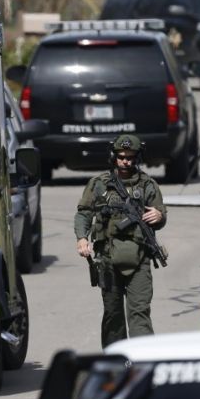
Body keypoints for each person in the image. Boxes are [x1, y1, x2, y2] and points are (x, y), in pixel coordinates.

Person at [75, 134, 167, 348]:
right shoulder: (99, 184)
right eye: (121, 156)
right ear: (113, 156)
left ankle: (141, 361)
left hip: (140, 258)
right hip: (107, 258)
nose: (126, 161)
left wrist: (159, 216)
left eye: (131, 157)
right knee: (113, 314)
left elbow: (160, 213)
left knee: (139, 313)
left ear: (138, 158)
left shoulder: (148, 185)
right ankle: (115, 361)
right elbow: (84, 213)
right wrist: (82, 238)